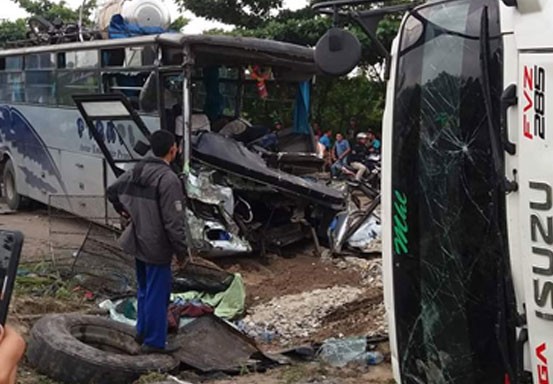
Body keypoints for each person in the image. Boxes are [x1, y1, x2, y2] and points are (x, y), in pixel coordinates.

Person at [107, 130, 187, 354]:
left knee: (144, 289)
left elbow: (112, 191)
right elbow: (174, 222)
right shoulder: (168, 178)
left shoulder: (139, 169)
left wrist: (124, 211)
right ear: (173, 149)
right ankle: (153, 342)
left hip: (137, 239)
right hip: (157, 244)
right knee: (157, 293)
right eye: (176, 146)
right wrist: (182, 252)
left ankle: (142, 331)